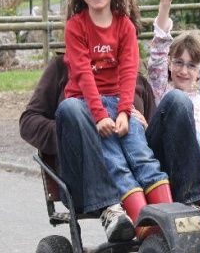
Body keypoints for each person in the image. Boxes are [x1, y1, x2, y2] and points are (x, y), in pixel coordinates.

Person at [62, 0, 171, 239]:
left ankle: (170, 221)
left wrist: (124, 111)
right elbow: (84, 75)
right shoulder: (76, 27)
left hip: (120, 105)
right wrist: (99, 116)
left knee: (142, 156)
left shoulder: (124, 26)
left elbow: (128, 72)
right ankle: (145, 229)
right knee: (116, 164)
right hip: (89, 106)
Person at [19, 54, 156, 242]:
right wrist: (76, 134)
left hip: (137, 177)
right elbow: (29, 122)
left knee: (177, 102)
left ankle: (193, 205)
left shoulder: (135, 77)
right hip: (86, 181)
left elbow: (151, 145)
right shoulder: (63, 68)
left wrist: (144, 127)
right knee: (72, 108)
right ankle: (110, 207)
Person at [146, 0, 200, 204]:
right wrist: (165, 4)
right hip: (162, 160)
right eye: (178, 62)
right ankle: (193, 198)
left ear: (199, 72)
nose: (183, 70)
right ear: (170, 64)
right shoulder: (162, 88)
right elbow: (159, 49)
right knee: (178, 102)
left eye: (191, 66)